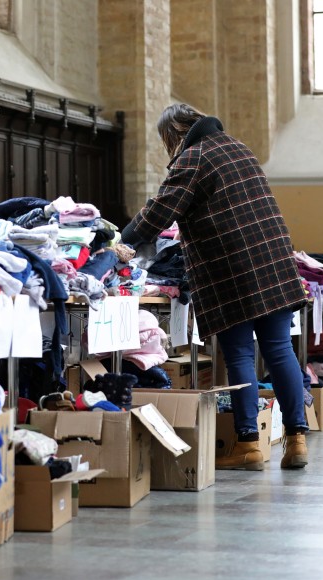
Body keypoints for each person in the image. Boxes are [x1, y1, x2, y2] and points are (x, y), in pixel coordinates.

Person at [121, 104, 309, 471]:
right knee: (280, 350)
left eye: (167, 139)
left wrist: (121, 241)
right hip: (275, 261)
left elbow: (162, 209)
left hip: (232, 269)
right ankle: (297, 440)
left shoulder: (194, 157)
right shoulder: (239, 147)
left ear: (176, 131)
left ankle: (249, 445)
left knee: (239, 355)